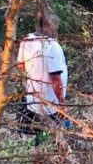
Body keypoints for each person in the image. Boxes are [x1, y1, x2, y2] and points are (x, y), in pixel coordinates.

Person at [16, 8, 70, 145]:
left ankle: (37, 150)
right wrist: (62, 103)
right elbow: (56, 79)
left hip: (32, 96)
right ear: (50, 25)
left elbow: (21, 66)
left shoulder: (26, 40)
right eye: (55, 26)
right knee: (56, 132)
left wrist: (29, 84)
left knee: (37, 130)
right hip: (51, 100)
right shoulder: (53, 46)